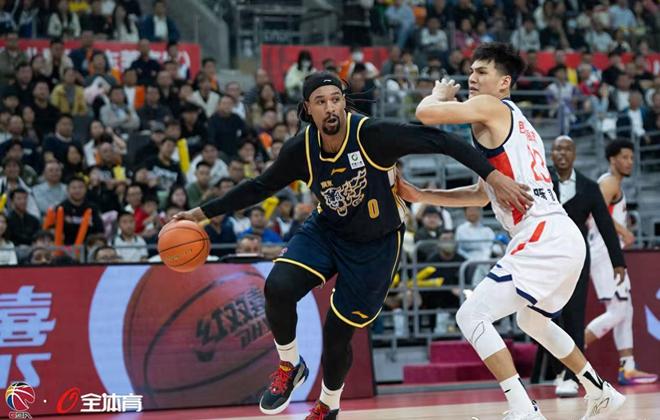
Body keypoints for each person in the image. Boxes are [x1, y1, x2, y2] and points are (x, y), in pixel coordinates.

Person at [171, 71, 530, 419]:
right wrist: (201, 213)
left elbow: (441, 141)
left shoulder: (372, 135)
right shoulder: (301, 149)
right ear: (307, 109)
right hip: (328, 229)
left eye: (335, 100)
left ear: (344, 102)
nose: (330, 108)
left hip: (376, 243)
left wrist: (493, 176)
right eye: (320, 102)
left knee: (336, 335)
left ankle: (328, 404)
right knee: (277, 287)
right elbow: (259, 186)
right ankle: (290, 364)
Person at [399, 43, 625, 419]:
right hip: (560, 234)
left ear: (504, 83)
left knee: (471, 316)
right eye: (471, 71)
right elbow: (482, 194)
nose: (472, 77)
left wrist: (439, 93)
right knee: (531, 319)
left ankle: (523, 408)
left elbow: (425, 113)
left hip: (542, 233)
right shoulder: (517, 123)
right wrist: (423, 195)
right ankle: (599, 390)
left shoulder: (491, 106)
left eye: (482, 72)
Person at [545, 135, 628, 398]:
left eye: (567, 149)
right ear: (551, 153)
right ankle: (558, 369)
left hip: (577, 258)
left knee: (574, 314)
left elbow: (605, 226)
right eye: (557, 149)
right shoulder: (540, 181)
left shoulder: (589, 187)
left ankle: (572, 376)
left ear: (574, 154)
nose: (562, 153)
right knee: (544, 316)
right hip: (543, 257)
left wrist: (618, 262)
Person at [584, 139, 658, 385]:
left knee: (626, 310)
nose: (629, 162)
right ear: (612, 159)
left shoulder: (614, 184)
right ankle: (571, 351)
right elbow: (595, 212)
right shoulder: (609, 182)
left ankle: (628, 367)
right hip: (604, 252)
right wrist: (623, 231)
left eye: (632, 158)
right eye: (625, 157)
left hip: (609, 251)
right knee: (617, 311)